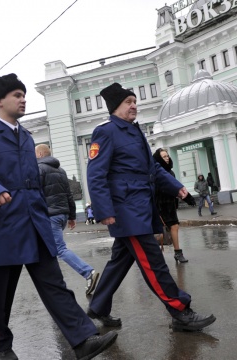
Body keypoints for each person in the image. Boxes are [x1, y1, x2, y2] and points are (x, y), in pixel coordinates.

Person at [0, 73, 117, 360]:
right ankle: (1, 348)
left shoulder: (26, 135)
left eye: (23, 94)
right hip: (4, 222)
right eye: (17, 95)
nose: (23, 99)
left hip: (35, 221)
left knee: (54, 284)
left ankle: (83, 340)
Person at [86, 82, 216, 332]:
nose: (134, 105)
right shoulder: (106, 132)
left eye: (135, 101)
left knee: (120, 260)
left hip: (139, 206)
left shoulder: (134, 132)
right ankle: (180, 310)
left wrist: (175, 186)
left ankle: (98, 306)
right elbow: (96, 173)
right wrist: (104, 211)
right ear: (115, 107)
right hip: (125, 210)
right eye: (128, 102)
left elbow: (152, 168)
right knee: (152, 262)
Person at [35, 143, 100, 295]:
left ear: (39, 155)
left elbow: (36, 194)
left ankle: (88, 272)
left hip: (50, 216)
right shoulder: (61, 170)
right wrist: (71, 216)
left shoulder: (39, 169)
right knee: (47, 250)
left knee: (59, 249)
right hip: (62, 215)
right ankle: (55, 287)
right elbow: (69, 195)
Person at [153, 149, 196, 263]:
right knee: (159, 231)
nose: (167, 158)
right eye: (163, 157)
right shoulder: (155, 172)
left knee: (175, 226)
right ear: (158, 159)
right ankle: (152, 255)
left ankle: (177, 252)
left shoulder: (171, 172)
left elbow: (174, 187)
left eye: (167, 156)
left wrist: (184, 197)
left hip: (170, 204)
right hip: (159, 205)